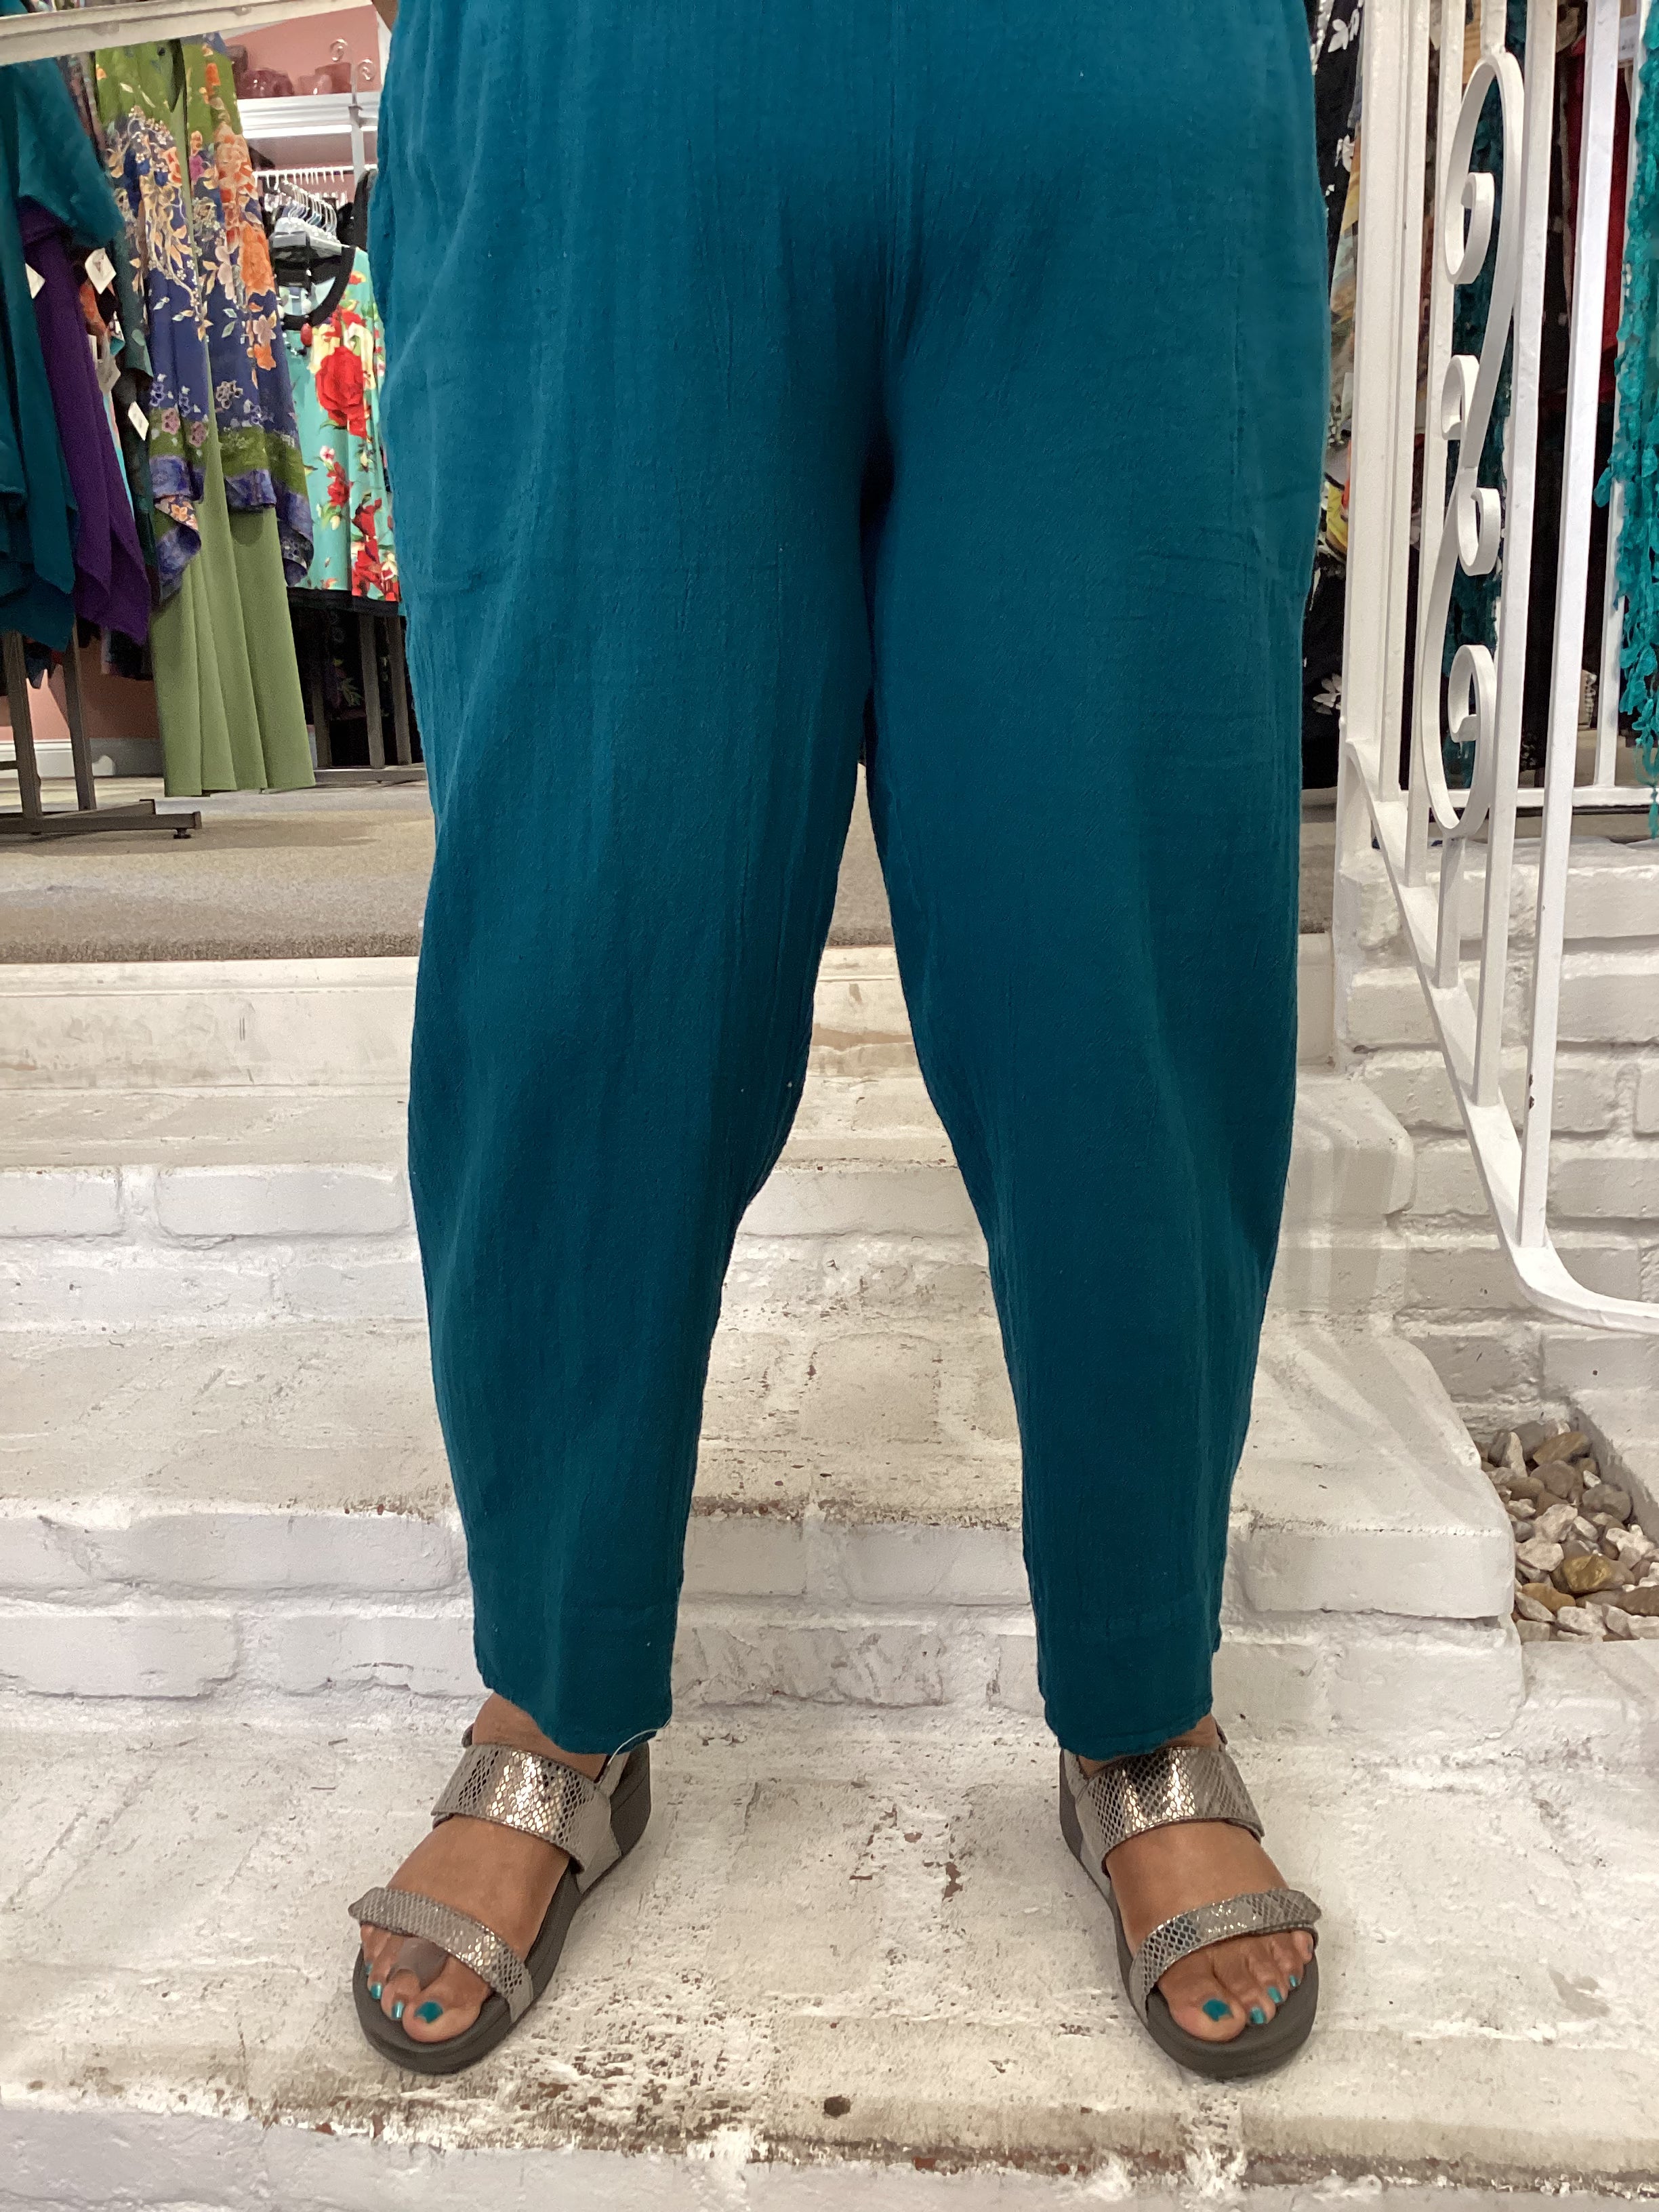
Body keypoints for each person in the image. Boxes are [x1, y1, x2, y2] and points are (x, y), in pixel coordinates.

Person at [348, 0, 1327, 2081]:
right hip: (603, 85)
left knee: (1118, 950)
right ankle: (556, 1688)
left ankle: (1143, 1691)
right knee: (588, 937)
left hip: (1115, 91)